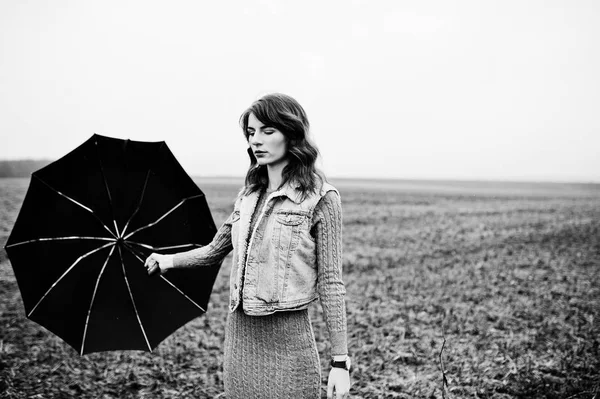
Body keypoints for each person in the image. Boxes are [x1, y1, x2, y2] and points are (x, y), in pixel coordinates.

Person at [144, 93, 350, 399]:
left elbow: (331, 283)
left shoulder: (321, 198)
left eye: (268, 131)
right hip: (241, 337)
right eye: (251, 133)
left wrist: (340, 362)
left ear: (291, 134)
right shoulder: (248, 196)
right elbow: (215, 251)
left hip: (288, 339)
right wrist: (167, 261)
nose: (257, 141)